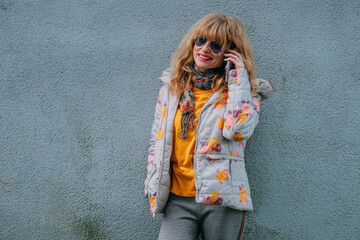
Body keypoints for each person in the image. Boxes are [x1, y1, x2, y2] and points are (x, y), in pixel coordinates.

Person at [144, 13, 273, 240]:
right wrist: (152, 182)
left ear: (230, 52)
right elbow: (157, 139)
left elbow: (237, 130)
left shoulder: (244, 92)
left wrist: (238, 78)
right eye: (200, 40)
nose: (204, 49)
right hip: (177, 198)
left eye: (216, 46)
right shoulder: (171, 87)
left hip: (222, 200)